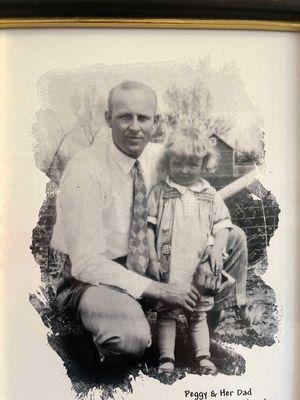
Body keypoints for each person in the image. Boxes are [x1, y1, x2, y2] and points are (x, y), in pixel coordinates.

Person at [50, 80, 202, 368]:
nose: (135, 127)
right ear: (108, 119)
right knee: (131, 338)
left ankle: (206, 325)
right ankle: (92, 346)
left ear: (155, 122)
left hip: (144, 265)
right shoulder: (86, 169)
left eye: (143, 117)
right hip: (88, 280)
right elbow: (86, 263)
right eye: (124, 116)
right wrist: (158, 289)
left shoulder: (158, 158)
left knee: (232, 240)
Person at [146, 132, 237, 375]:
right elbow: (149, 228)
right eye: (177, 163)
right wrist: (152, 259)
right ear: (168, 162)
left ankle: (203, 357)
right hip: (170, 265)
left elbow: (223, 226)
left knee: (198, 315)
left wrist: (217, 249)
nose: (185, 170)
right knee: (167, 315)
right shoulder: (160, 193)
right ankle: (167, 358)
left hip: (199, 266)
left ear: (203, 164)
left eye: (192, 164)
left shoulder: (209, 194)